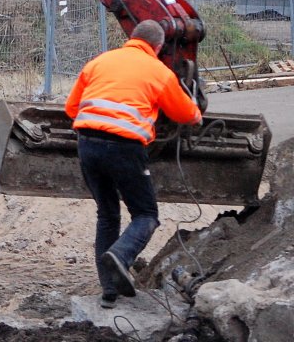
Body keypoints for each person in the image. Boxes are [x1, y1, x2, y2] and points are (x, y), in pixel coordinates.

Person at [64, 19, 202, 310]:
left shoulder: (99, 62)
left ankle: (109, 292)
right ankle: (121, 255)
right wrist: (196, 114)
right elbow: (185, 113)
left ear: (132, 38)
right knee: (146, 215)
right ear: (158, 46)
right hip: (125, 148)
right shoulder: (158, 71)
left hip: (87, 144)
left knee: (107, 214)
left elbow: (71, 108)